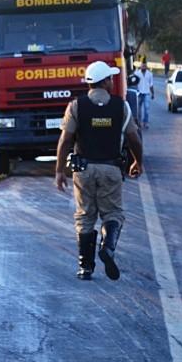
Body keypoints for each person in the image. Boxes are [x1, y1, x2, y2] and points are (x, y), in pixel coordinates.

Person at [55, 61, 144, 281]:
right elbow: (134, 138)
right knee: (112, 214)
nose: (113, 82)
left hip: (83, 170)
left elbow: (65, 139)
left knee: (85, 216)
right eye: (110, 78)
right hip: (111, 168)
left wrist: (59, 170)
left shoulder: (76, 106)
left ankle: (85, 268)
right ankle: (108, 247)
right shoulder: (121, 106)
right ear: (104, 81)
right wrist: (137, 162)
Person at [134, 61, 155, 129]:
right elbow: (134, 83)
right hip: (139, 93)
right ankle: (139, 122)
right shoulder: (137, 73)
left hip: (146, 93)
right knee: (138, 110)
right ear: (140, 66)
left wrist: (153, 93)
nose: (143, 67)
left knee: (147, 109)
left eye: (145, 66)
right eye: (142, 66)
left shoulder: (150, 74)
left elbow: (151, 84)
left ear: (146, 66)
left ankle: (145, 122)